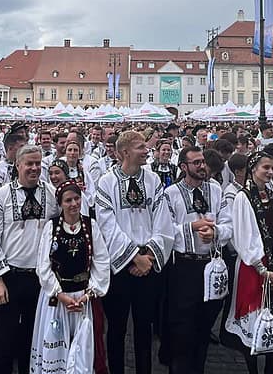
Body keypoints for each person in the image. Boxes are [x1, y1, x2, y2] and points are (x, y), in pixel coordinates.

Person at [95, 130, 174, 374]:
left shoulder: (153, 180)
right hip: (121, 265)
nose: (146, 150)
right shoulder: (106, 182)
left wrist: (148, 256)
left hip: (147, 262)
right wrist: (133, 257)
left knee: (144, 328)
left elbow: (163, 221)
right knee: (116, 328)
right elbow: (106, 225)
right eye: (141, 146)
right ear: (125, 152)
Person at [0, 144, 59, 374]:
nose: (34, 168)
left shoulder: (52, 194)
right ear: (18, 165)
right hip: (10, 277)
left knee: (33, 336)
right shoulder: (1, 196)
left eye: (38, 163)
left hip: (40, 278)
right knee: (4, 337)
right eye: (29, 164)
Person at [223, 151, 273, 374]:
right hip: (253, 264)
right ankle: (253, 369)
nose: (270, 172)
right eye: (265, 167)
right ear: (253, 168)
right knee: (255, 314)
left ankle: (270, 368)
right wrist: (261, 268)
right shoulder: (243, 197)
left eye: (272, 168)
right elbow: (243, 235)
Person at [163, 146, 233, 374]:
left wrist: (216, 233)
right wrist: (190, 227)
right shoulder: (171, 194)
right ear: (184, 167)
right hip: (184, 266)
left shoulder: (215, 190)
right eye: (196, 163)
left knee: (204, 324)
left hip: (211, 263)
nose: (202, 166)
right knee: (182, 326)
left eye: (203, 161)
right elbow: (164, 230)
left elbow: (229, 223)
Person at [30, 180, 110, 374]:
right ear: (60, 204)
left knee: (82, 349)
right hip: (57, 298)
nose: (74, 204)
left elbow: (101, 261)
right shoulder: (52, 227)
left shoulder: (90, 226)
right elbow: (43, 266)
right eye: (68, 200)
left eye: (76, 198)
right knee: (56, 348)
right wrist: (60, 294)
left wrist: (89, 294)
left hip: (83, 297)